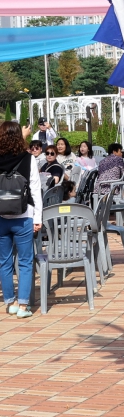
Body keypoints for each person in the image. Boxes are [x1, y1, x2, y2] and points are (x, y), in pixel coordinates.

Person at [0, 120, 42, 319]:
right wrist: (38, 217)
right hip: (23, 215)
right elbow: (35, 190)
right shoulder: (28, 159)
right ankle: (23, 305)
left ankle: (10, 302)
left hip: (1, 217)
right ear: (19, 136)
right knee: (25, 261)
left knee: (4, 262)